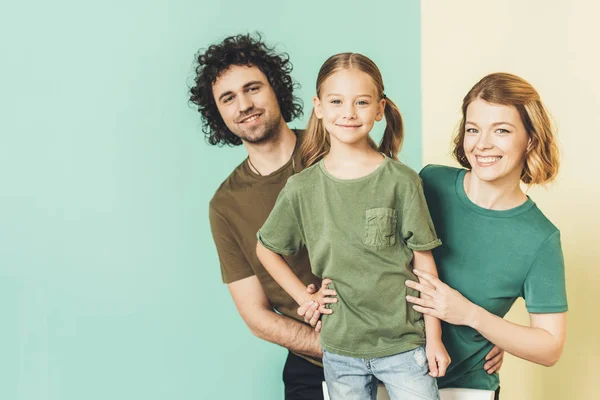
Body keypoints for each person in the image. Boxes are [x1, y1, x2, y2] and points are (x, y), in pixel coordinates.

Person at [256, 52, 450, 400]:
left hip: (404, 346)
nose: (348, 112)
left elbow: (425, 266)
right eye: (336, 101)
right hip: (340, 351)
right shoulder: (303, 188)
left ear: (379, 109)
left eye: (361, 102)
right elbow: (265, 248)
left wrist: (434, 337)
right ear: (318, 107)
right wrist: (304, 297)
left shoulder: (401, 182)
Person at [404, 72, 568, 399]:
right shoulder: (429, 183)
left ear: (531, 139)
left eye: (502, 131)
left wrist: (473, 316)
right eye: (473, 129)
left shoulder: (540, 238)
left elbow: (550, 347)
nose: (482, 144)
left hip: (465, 389)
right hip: (384, 373)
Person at [189, 33, 327, 400]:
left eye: (253, 88)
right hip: (314, 363)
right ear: (217, 112)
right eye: (228, 98)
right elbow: (257, 315)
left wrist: (472, 332)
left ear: (275, 88)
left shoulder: (335, 147)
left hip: (397, 348)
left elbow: (416, 235)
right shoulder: (225, 205)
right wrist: (335, 346)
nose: (244, 104)